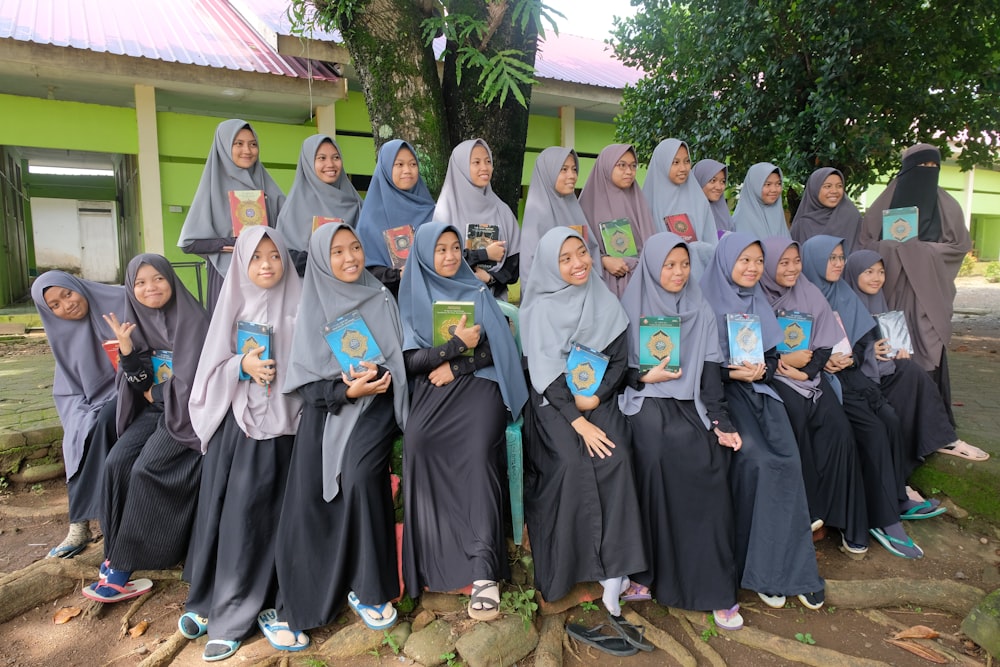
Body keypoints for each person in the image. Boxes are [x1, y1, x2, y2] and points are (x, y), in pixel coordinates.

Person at [521, 227, 651, 655]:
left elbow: (617, 359)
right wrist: (578, 419)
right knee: (572, 464)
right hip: (553, 402)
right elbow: (544, 373)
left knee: (617, 455)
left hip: (599, 396)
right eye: (566, 259)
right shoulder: (538, 310)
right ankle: (569, 570)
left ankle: (616, 571)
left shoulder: (603, 299)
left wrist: (597, 396)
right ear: (548, 266)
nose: (578, 264)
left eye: (582, 253)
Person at [274, 223, 408, 636]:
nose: (350, 258)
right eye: (337, 252)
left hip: (379, 404)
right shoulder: (313, 302)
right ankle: (306, 598)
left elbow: (399, 357)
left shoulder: (380, 294)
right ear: (320, 259)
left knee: (361, 473)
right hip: (332, 404)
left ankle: (370, 587)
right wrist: (345, 390)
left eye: (355, 248)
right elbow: (306, 383)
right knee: (309, 491)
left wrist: (380, 374)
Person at [179, 227, 305, 661]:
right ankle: (211, 602)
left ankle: (238, 616)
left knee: (263, 520)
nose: (267, 265)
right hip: (242, 428)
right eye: (256, 258)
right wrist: (241, 364)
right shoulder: (233, 304)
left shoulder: (302, 302)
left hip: (288, 429)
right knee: (231, 517)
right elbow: (211, 370)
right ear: (242, 265)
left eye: (274, 255)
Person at [398, 221, 527, 622]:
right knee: (418, 441)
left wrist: (459, 365)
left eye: (456, 247)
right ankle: (429, 563)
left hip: (480, 385)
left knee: (475, 451)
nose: (451, 256)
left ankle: (483, 571)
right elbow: (407, 361)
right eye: (441, 249)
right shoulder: (411, 297)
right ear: (423, 255)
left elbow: (497, 348)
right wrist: (452, 347)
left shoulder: (476, 291)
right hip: (433, 389)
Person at [620, 232, 744, 631]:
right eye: (669, 265)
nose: (678, 272)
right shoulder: (630, 305)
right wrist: (644, 377)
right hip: (645, 399)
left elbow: (710, 375)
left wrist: (721, 423)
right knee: (655, 453)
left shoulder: (700, 309)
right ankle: (645, 574)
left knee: (708, 460)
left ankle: (713, 588)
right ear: (653, 267)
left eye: (684, 264)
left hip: (689, 402)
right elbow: (616, 371)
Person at [699, 232, 824, 609]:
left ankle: (794, 569)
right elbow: (699, 370)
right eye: (744, 261)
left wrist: (761, 372)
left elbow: (772, 362)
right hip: (721, 399)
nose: (753, 268)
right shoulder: (704, 302)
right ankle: (765, 572)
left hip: (759, 396)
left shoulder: (757, 303)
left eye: (757, 261)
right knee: (760, 461)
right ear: (725, 262)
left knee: (787, 460)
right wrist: (733, 375)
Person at [800, 236, 937, 559]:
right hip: (821, 380)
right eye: (830, 258)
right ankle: (884, 519)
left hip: (850, 375)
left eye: (839, 258)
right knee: (873, 432)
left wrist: (854, 357)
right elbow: (792, 346)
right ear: (815, 261)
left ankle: (895, 499)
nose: (837, 264)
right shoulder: (804, 295)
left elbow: (862, 342)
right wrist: (823, 361)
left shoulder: (844, 293)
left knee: (890, 420)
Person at [83, 255, 209, 602]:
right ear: (130, 288)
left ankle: (124, 568)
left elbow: (195, 381)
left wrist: (160, 392)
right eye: (140, 283)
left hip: (187, 412)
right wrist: (127, 351)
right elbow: (138, 384)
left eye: (157, 279)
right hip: (157, 409)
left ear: (171, 280)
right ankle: (115, 549)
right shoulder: (135, 323)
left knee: (146, 468)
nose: (150, 288)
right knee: (116, 463)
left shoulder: (193, 319)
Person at [759, 238, 869, 552]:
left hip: (809, 379)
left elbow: (824, 343)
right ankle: (808, 517)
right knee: (796, 426)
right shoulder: (756, 296)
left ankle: (848, 520)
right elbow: (748, 346)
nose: (792, 268)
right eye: (783, 263)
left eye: (796, 261)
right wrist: (781, 366)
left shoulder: (808, 291)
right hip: (774, 380)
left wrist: (807, 372)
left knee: (839, 431)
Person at [860, 143, 972, 426]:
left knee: (929, 347)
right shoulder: (885, 201)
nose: (928, 172)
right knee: (894, 347)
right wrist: (893, 248)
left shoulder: (947, 204)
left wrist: (920, 251)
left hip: (929, 295)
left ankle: (933, 423)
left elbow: (959, 246)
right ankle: (899, 417)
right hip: (892, 293)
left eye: (934, 167)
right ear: (907, 169)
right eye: (921, 167)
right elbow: (865, 244)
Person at [845, 250, 987, 462]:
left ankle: (943, 439)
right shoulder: (844, 304)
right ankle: (937, 441)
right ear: (854, 272)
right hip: (859, 378)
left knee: (913, 372)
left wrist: (896, 353)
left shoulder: (878, 301)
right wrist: (868, 352)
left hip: (882, 370)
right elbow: (843, 349)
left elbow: (886, 341)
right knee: (910, 378)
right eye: (869, 271)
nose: (877, 278)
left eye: (881, 272)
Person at [31, 272, 125, 559]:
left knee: (104, 420)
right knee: (78, 429)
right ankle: (79, 525)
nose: (66, 306)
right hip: (92, 398)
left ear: (76, 285)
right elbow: (69, 386)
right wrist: (78, 415)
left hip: (136, 386)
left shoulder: (120, 300)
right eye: (55, 305)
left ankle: (91, 523)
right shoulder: (63, 332)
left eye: (67, 294)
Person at [178, 119, 286, 313]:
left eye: (253, 144)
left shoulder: (268, 186)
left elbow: (288, 229)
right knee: (230, 336)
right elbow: (189, 242)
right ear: (224, 146)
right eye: (238, 144)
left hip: (266, 274)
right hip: (227, 277)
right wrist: (230, 243)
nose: (247, 150)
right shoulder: (212, 189)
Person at [434, 139, 521, 299]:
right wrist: (485, 254)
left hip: (495, 304)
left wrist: (491, 278)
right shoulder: (446, 210)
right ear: (461, 166)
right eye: (476, 162)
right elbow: (438, 259)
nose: (484, 167)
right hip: (455, 302)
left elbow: (515, 264)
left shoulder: (502, 210)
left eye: (488, 161)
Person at [275, 134, 363, 276]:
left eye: (336, 157)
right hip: (309, 288)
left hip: (352, 286)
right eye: (322, 158)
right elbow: (284, 257)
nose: (330, 164)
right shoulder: (294, 208)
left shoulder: (356, 204)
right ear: (308, 163)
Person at [356, 139, 436, 296]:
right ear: (385, 168)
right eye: (399, 165)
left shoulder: (433, 210)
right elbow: (365, 271)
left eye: (413, 164)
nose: (407, 170)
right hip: (390, 301)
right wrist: (397, 275)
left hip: (432, 297)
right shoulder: (370, 218)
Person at [579, 143, 658, 297]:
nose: (629, 171)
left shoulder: (638, 202)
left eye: (633, 166)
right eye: (622, 165)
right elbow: (578, 250)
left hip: (640, 284)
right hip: (601, 289)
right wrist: (603, 260)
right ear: (607, 166)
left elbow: (651, 243)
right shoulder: (586, 205)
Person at [519, 147, 602, 287]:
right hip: (553, 299)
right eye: (563, 169)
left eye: (574, 169)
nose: (572, 176)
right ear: (548, 172)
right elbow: (530, 267)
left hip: (585, 292)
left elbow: (591, 249)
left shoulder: (575, 209)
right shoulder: (538, 213)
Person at [642, 139, 719, 275]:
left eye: (687, 161)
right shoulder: (647, 202)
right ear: (662, 164)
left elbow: (712, 243)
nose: (683, 168)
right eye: (675, 162)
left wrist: (696, 249)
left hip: (699, 277)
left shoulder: (699, 200)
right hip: (662, 277)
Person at [790, 168, 862, 254]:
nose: (834, 191)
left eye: (839, 186)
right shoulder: (802, 224)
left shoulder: (851, 217)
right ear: (814, 189)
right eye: (827, 186)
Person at [731, 163, 790, 239]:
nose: (774, 190)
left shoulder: (777, 213)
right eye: (768, 184)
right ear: (754, 186)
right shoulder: (741, 219)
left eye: (778, 184)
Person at [692, 159, 733, 234]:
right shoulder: (687, 212)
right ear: (699, 180)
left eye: (722, 181)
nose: (719, 187)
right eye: (713, 180)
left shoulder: (723, 214)